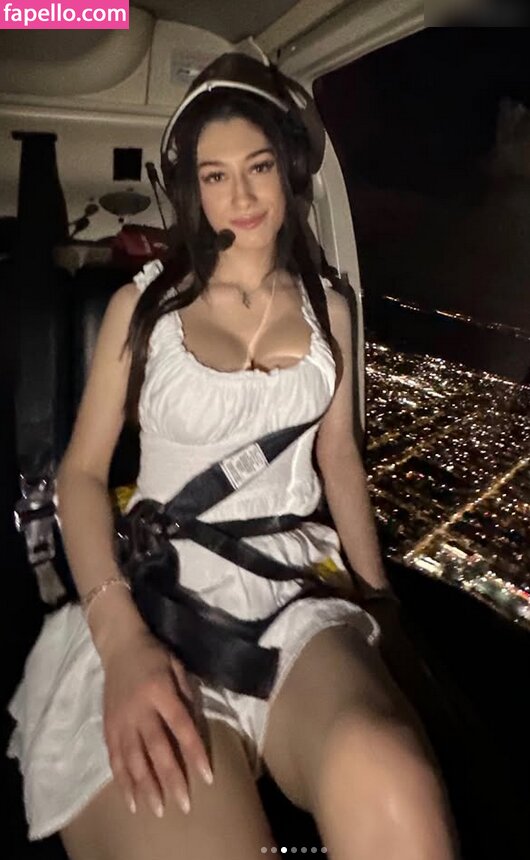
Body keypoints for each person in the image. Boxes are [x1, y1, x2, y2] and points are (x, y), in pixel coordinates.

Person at [8, 53, 457, 860]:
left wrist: (382, 602)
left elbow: (339, 458)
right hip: (161, 591)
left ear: (289, 170)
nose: (241, 196)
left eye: (258, 167)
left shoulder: (332, 308)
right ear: (193, 189)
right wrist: (121, 641)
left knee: (394, 781)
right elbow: (81, 474)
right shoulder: (144, 307)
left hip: (293, 588)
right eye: (215, 176)